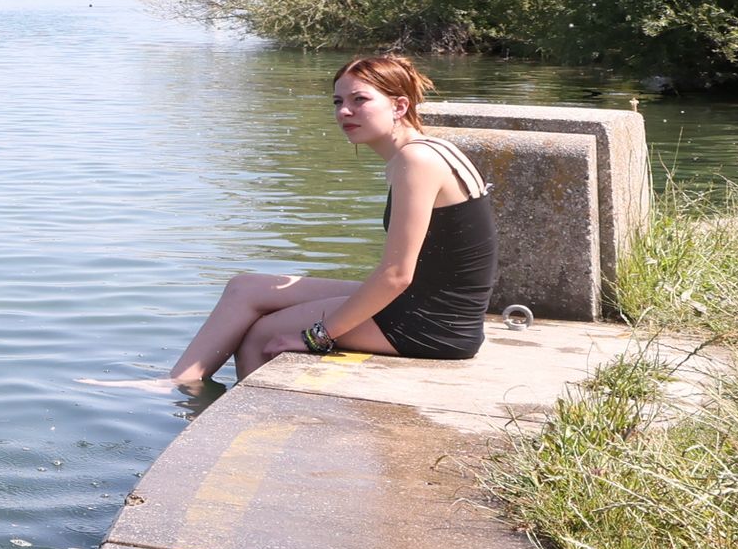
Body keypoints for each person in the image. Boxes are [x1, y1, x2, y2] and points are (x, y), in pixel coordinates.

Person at [166, 53, 496, 390]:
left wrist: (317, 336)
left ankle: (256, 432)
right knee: (245, 288)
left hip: (435, 323)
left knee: (262, 336)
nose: (344, 112)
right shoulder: (428, 150)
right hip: (423, 303)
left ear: (399, 106)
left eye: (359, 100)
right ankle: (180, 383)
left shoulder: (417, 159)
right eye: (338, 101)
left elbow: (396, 276)